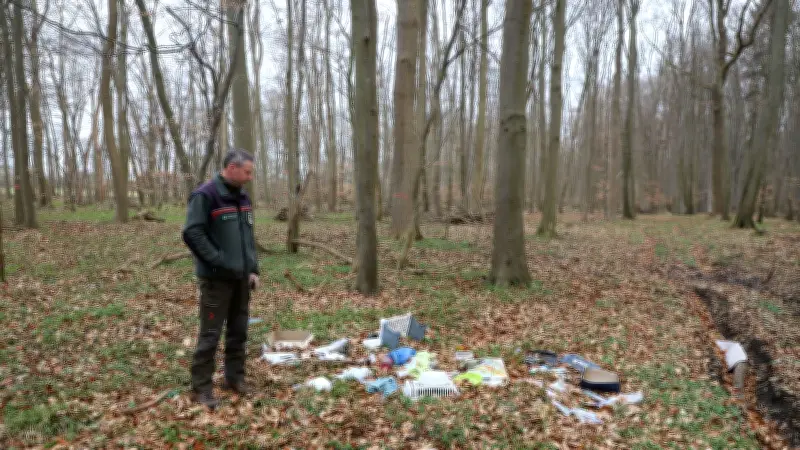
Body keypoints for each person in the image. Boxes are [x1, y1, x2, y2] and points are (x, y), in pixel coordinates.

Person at [182, 147, 260, 409]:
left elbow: (247, 237)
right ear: (232, 168)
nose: (250, 176)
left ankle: (234, 378)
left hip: (241, 279)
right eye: (247, 172)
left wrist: (252, 268)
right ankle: (201, 387)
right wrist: (218, 262)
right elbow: (193, 233)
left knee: (239, 331)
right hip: (216, 280)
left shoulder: (243, 197)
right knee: (210, 335)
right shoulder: (206, 196)